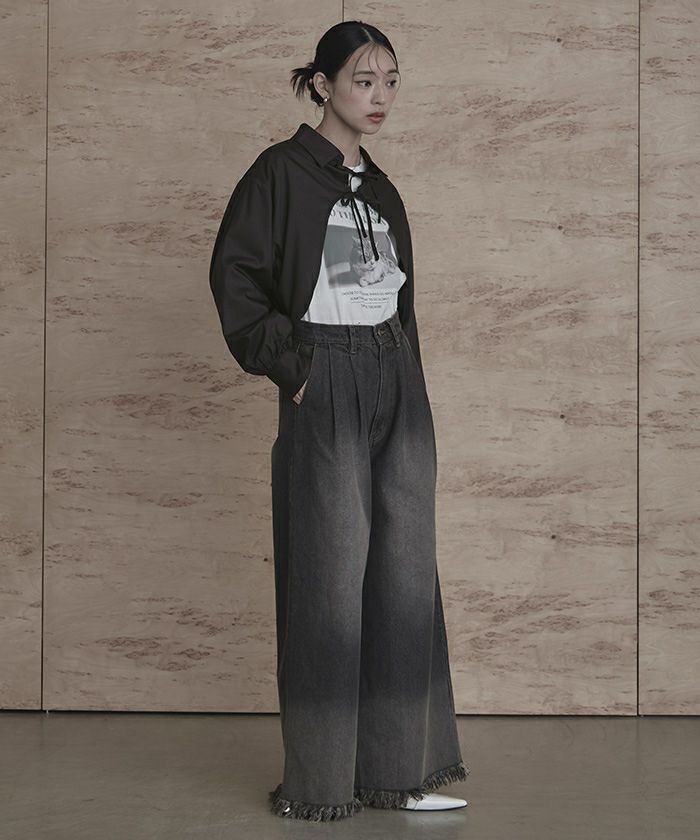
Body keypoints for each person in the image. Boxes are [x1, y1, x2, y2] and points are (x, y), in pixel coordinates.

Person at [209, 20, 470, 822]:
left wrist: (406, 378)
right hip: (326, 374)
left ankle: (399, 772)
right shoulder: (279, 174)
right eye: (363, 80)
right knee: (328, 576)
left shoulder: (381, 189)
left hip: (397, 375)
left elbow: (398, 298)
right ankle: (320, 784)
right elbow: (236, 280)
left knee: (405, 571)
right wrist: (298, 369)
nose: (380, 96)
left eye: (390, 81)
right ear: (322, 85)